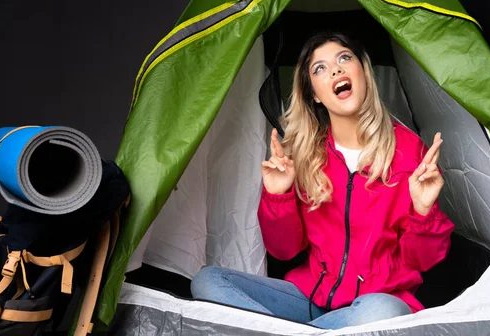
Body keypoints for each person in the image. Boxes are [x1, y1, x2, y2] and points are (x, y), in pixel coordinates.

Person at [190, 32, 455, 329]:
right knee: (210, 281)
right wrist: (279, 196)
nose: (336, 70)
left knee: (382, 315)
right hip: (308, 299)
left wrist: (422, 211)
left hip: (374, 303)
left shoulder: (409, 152)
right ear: (314, 94)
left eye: (344, 58)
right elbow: (285, 251)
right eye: (320, 68)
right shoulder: (305, 153)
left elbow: (423, 261)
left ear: (363, 72)